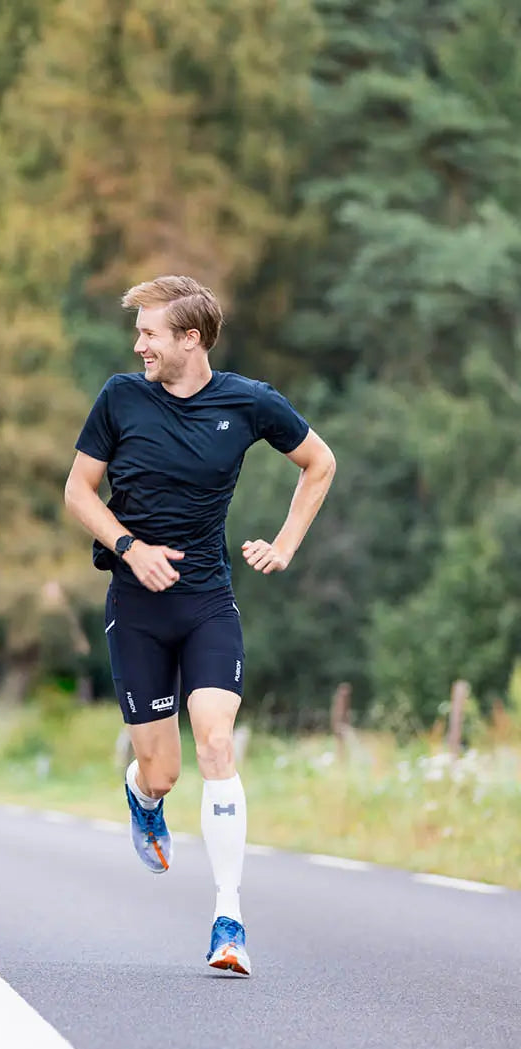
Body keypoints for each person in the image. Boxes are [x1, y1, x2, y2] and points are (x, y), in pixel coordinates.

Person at [64, 275, 335, 976]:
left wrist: (285, 543)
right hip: (138, 606)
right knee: (165, 770)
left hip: (208, 600)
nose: (138, 344)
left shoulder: (248, 402)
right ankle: (141, 793)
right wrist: (129, 548)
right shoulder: (121, 398)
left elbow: (319, 462)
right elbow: (77, 491)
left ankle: (228, 919)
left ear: (191, 338)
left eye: (150, 332)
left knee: (217, 744)